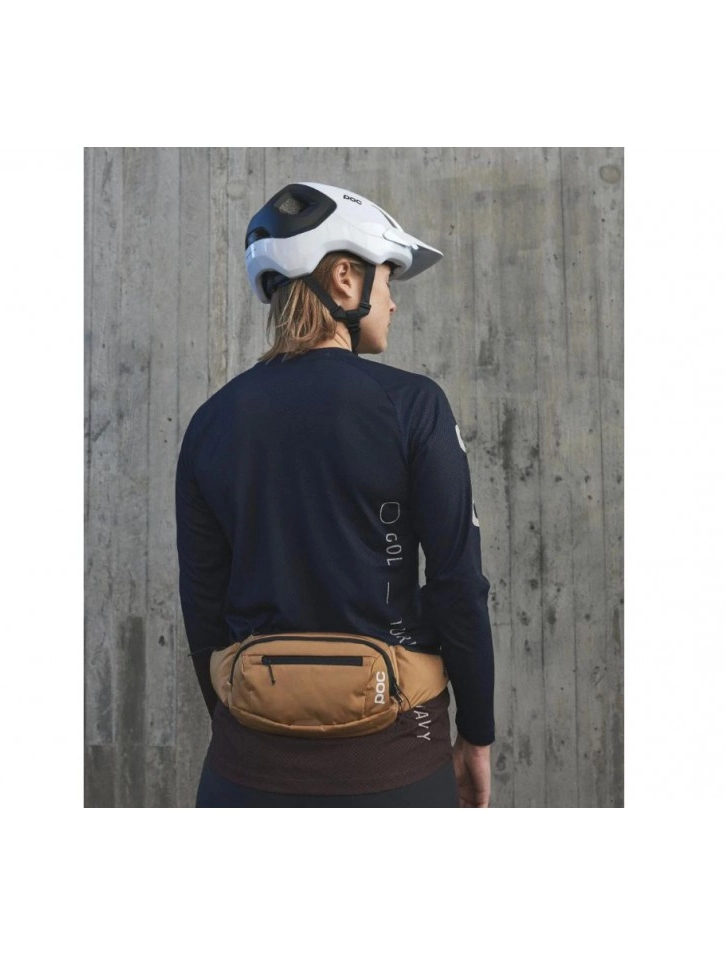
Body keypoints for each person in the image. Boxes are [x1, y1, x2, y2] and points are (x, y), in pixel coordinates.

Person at [175, 181, 495, 807]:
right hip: (396, 762)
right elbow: (457, 584)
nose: (392, 303)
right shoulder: (413, 406)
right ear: (345, 279)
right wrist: (476, 735)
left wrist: (241, 728)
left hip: (246, 764)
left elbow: (203, 606)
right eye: (389, 278)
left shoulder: (211, 422)